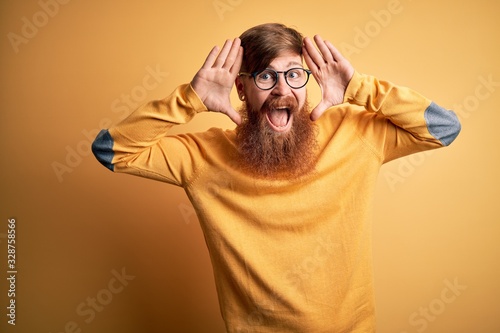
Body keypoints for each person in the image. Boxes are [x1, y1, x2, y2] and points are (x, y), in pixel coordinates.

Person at [92, 23, 460, 332]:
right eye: (266, 76)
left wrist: (358, 88)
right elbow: (111, 150)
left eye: (294, 75)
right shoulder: (202, 157)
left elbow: (444, 128)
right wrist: (190, 99)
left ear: (307, 82)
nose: (282, 89)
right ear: (241, 88)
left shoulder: (354, 134)